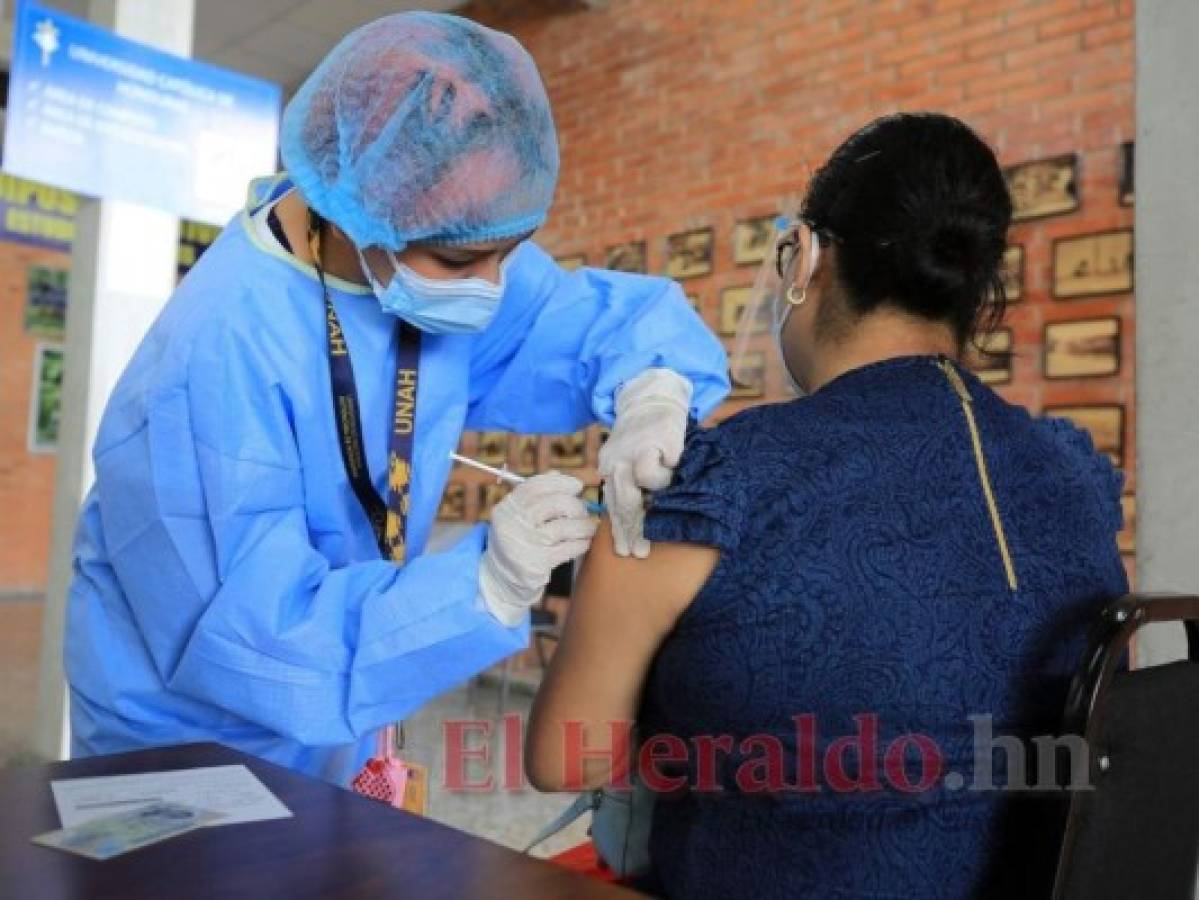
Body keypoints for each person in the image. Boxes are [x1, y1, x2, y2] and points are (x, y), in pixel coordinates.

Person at [64, 12, 728, 786]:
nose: (491, 288)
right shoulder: (212, 359)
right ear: (355, 211)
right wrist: (481, 584)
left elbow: (579, 323)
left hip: (346, 715)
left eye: (506, 256)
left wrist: (654, 386)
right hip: (191, 746)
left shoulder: (414, 259)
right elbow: (248, 638)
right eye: (460, 259)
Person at [526, 113, 1127, 898]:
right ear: (975, 289)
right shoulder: (1073, 476)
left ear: (803, 257)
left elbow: (565, 758)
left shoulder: (715, 483)